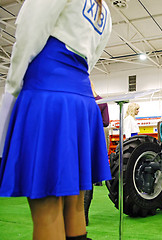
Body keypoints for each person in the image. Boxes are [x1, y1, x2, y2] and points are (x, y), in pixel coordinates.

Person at [0, 0, 112, 239]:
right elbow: (90, 59)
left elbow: (28, 36)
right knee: (75, 202)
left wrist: (11, 91)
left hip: (47, 93)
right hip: (80, 96)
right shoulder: (105, 11)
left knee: (46, 203)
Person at [84, 81, 110, 226]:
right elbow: (106, 122)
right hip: (93, 139)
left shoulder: (77, 99)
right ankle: (84, 216)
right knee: (88, 177)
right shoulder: (101, 101)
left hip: (76, 139)